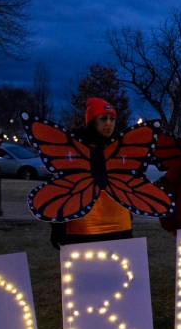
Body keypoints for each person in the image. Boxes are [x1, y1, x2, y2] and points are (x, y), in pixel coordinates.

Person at [50, 98, 134, 247]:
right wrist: (58, 226)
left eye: (112, 119)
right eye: (103, 118)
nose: (109, 123)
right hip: (84, 228)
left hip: (119, 225)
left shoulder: (121, 149)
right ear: (92, 121)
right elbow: (61, 189)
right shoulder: (75, 149)